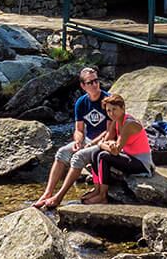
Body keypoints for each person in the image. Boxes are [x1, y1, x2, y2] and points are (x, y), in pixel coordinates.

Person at [36, 93, 152, 207]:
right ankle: (97, 190)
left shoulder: (129, 124)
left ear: (123, 108)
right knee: (96, 153)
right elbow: (108, 139)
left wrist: (102, 144)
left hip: (141, 163)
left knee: (103, 156)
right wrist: (106, 144)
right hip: (128, 156)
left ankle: (102, 196)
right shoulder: (116, 121)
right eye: (108, 111)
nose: (111, 113)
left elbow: (115, 150)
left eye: (114, 109)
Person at [32, 68, 110, 207]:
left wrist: (92, 143)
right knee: (62, 152)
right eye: (90, 82)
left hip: (104, 141)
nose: (94, 84)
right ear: (83, 86)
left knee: (78, 157)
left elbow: (110, 131)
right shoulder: (81, 103)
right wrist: (78, 141)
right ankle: (47, 193)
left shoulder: (107, 100)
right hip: (88, 140)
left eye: (96, 81)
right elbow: (79, 129)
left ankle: (59, 197)